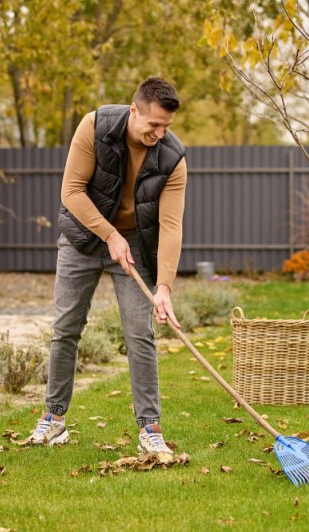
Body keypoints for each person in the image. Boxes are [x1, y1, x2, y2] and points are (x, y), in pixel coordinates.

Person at [26, 77, 187, 463]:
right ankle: (54, 419)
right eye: (153, 125)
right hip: (83, 238)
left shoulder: (173, 157)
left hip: (133, 244)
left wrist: (164, 286)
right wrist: (109, 234)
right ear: (134, 111)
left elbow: (170, 226)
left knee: (139, 334)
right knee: (65, 328)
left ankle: (150, 429)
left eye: (166, 127)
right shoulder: (95, 126)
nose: (159, 134)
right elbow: (72, 192)